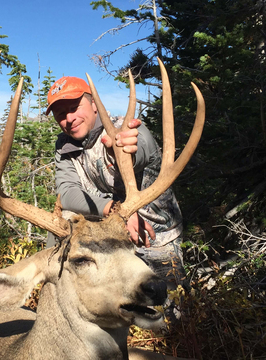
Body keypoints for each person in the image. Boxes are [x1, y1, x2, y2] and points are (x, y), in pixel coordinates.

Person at [45, 76, 185, 297]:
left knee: (165, 315)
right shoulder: (64, 146)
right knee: (62, 221)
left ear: (93, 105)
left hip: (151, 237)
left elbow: (141, 150)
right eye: (61, 114)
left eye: (74, 107)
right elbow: (68, 193)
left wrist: (122, 149)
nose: (69, 118)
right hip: (108, 237)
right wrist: (117, 212)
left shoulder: (126, 127)